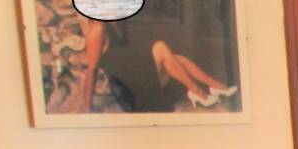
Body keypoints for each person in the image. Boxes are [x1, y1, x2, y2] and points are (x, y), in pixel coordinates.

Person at [55, 14, 238, 114]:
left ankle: (215, 87)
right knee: (160, 47)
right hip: (133, 90)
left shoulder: (110, 25)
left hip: (136, 77)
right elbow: (92, 68)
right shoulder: (97, 28)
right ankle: (198, 92)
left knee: (176, 59)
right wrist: (87, 105)